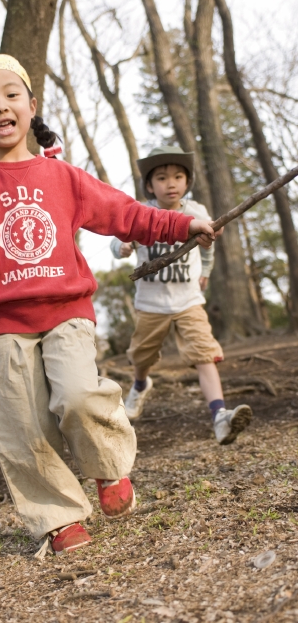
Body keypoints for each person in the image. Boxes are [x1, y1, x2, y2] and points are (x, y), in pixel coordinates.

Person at [0, 57, 218, 555]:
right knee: (24, 428)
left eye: (11, 94)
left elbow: (122, 213)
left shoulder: (62, 176)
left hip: (66, 312)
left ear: (31, 106)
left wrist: (179, 225)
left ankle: (109, 468)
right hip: (3, 326)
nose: (0, 104)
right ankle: (58, 518)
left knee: (80, 397)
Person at [111, 146, 252, 445]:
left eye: (178, 176)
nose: (171, 183)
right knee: (141, 355)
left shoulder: (196, 212)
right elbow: (117, 239)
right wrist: (121, 247)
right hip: (151, 303)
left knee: (204, 355)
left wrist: (207, 272)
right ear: (150, 185)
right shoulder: (143, 212)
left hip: (188, 301)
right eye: (161, 178)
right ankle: (140, 384)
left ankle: (220, 417)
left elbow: (208, 246)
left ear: (187, 182)